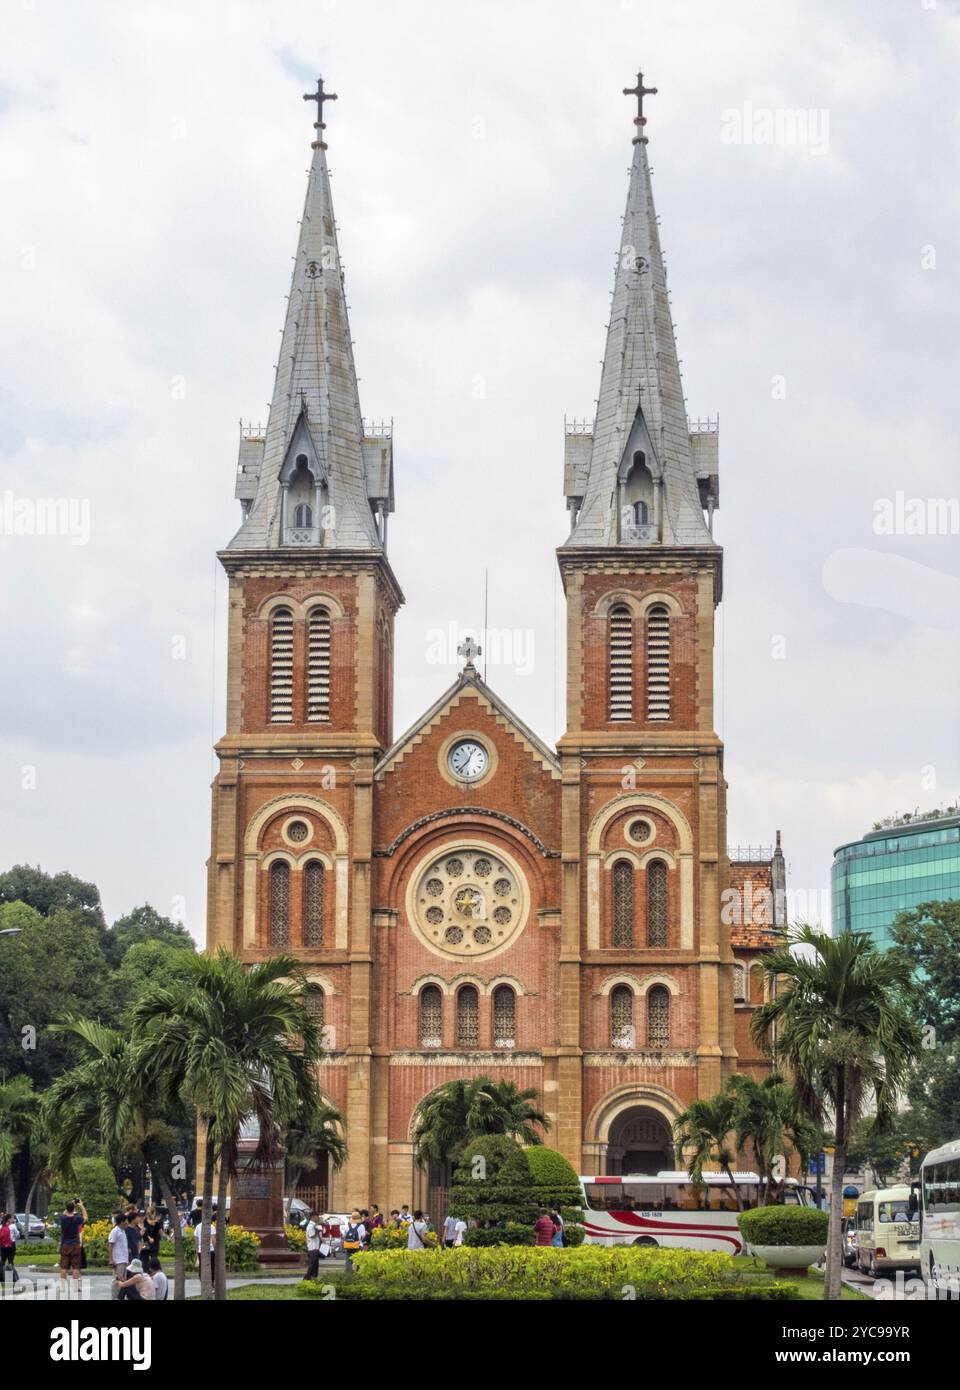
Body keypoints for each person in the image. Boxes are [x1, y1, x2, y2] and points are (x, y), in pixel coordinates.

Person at [57, 1198, 88, 1296]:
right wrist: (81, 1205)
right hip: (75, 1245)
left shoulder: (63, 1218)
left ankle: (62, 1287)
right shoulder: (77, 1218)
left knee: (63, 1267)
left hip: (65, 1245)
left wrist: (71, 1205)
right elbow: (86, 1217)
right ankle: (75, 1287)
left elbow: (64, 1212)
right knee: (75, 1267)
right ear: (74, 1209)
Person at [108, 1212, 130, 1299]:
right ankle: (115, 1297)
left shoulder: (123, 1231)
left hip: (124, 1260)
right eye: (126, 1221)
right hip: (118, 1260)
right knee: (117, 1280)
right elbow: (110, 1245)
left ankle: (119, 1297)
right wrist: (111, 1259)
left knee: (123, 1281)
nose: (127, 1223)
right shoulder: (115, 1231)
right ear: (121, 1222)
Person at [0, 1213, 19, 1288]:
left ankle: (1, 1276)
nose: (13, 1220)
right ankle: (9, 1278)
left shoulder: (1, 1226)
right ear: (9, 1219)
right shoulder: (13, 1226)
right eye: (12, 1218)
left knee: (3, 1261)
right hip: (11, 1245)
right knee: (10, 1261)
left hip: (3, 1246)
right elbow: (17, 1235)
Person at [305, 1210, 322, 1280]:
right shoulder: (311, 1226)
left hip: (315, 1248)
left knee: (315, 1265)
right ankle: (307, 1278)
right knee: (312, 1265)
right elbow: (312, 1236)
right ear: (313, 1217)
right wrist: (317, 1232)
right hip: (312, 1248)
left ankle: (314, 1277)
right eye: (317, 1217)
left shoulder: (314, 1225)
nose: (318, 1218)